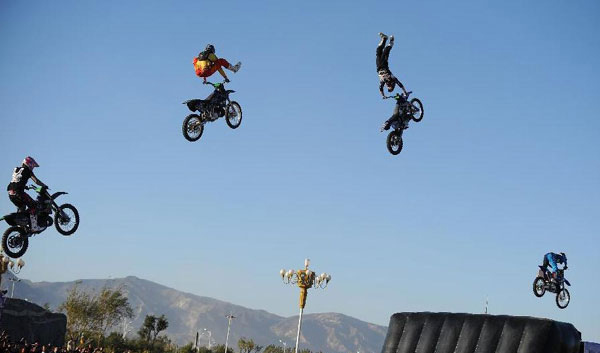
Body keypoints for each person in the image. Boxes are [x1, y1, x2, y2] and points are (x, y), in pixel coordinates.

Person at [6, 156, 46, 231]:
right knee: (34, 206)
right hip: (19, 193)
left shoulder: (16, 169)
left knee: (22, 207)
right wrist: (44, 185)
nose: (32, 168)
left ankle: (21, 226)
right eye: (32, 166)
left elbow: (17, 180)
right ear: (29, 164)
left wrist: (25, 187)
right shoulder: (28, 171)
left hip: (10, 193)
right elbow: (36, 181)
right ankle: (34, 227)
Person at [376, 33, 408, 99]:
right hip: (384, 65)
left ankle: (384, 39)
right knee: (385, 51)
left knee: (378, 51)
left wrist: (383, 96)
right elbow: (400, 84)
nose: (387, 86)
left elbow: (380, 88)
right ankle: (391, 42)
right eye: (389, 87)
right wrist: (405, 92)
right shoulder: (392, 78)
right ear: (392, 85)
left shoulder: (383, 81)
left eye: (387, 87)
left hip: (378, 66)